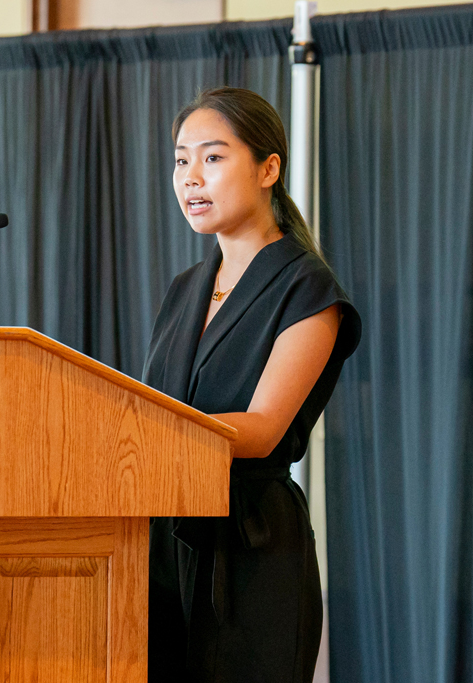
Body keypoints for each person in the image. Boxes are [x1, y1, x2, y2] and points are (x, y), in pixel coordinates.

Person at [142, 87, 361, 683]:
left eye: (212, 158)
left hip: (251, 552)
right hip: (161, 546)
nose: (191, 178)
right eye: (181, 159)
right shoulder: (186, 287)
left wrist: (133, 433)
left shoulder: (307, 288)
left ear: (269, 169)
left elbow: (263, 431)